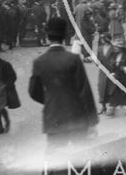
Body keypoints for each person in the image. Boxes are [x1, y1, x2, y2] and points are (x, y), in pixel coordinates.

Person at [28, 17, 98, 151]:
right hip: (76, 117)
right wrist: (92, 122)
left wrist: (50, 99)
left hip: (53, 118)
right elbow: (85, 91)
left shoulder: (39, 62)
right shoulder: (73, 59)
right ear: (65, 35)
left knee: (54, 160)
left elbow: (33, 92)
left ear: (48, 36)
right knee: (81, 157)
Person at [96, 33, 113, 115]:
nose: (102, 40)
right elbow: (98, 60)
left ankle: (111, 107)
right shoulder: (100, 48)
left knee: (111, 88)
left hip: (111, 71)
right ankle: (103, 106)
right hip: (102, 71)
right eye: (101, 39)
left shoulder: (113, 49)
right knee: (101, 87)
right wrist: (97, 62)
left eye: (103, 38)